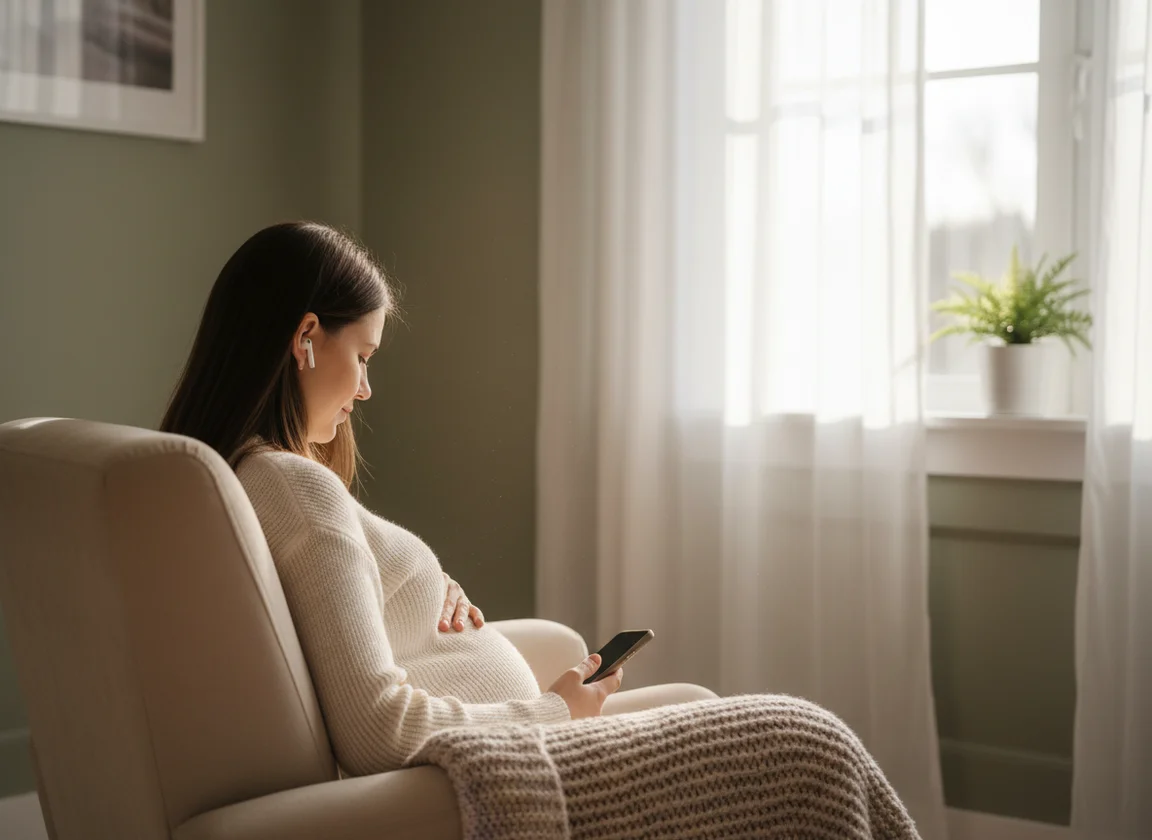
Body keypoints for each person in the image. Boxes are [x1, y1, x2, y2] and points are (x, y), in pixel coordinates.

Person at [162, 222, 921, 838]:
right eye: (361, 356)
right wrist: (554, 711)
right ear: (305, 337)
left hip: (515, 740)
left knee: (696, 697)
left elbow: (350, 616)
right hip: (493, 767)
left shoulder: (253, 476)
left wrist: (417, 586)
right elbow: (376, 731)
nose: (365, 388)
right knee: (803, 742)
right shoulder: (296, 489)